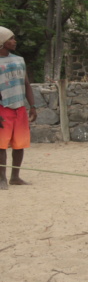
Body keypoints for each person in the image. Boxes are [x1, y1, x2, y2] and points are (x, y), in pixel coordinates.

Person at [0, 27, 37, 190]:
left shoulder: (19, 60)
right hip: (3, 107)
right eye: (11, 39)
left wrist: (32, 106)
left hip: (19, 107)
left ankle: (15, 176)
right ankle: (2, 179)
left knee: (19, 144)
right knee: (1, 146)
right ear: (2, 42)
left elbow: (26, 84)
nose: (14, 41)